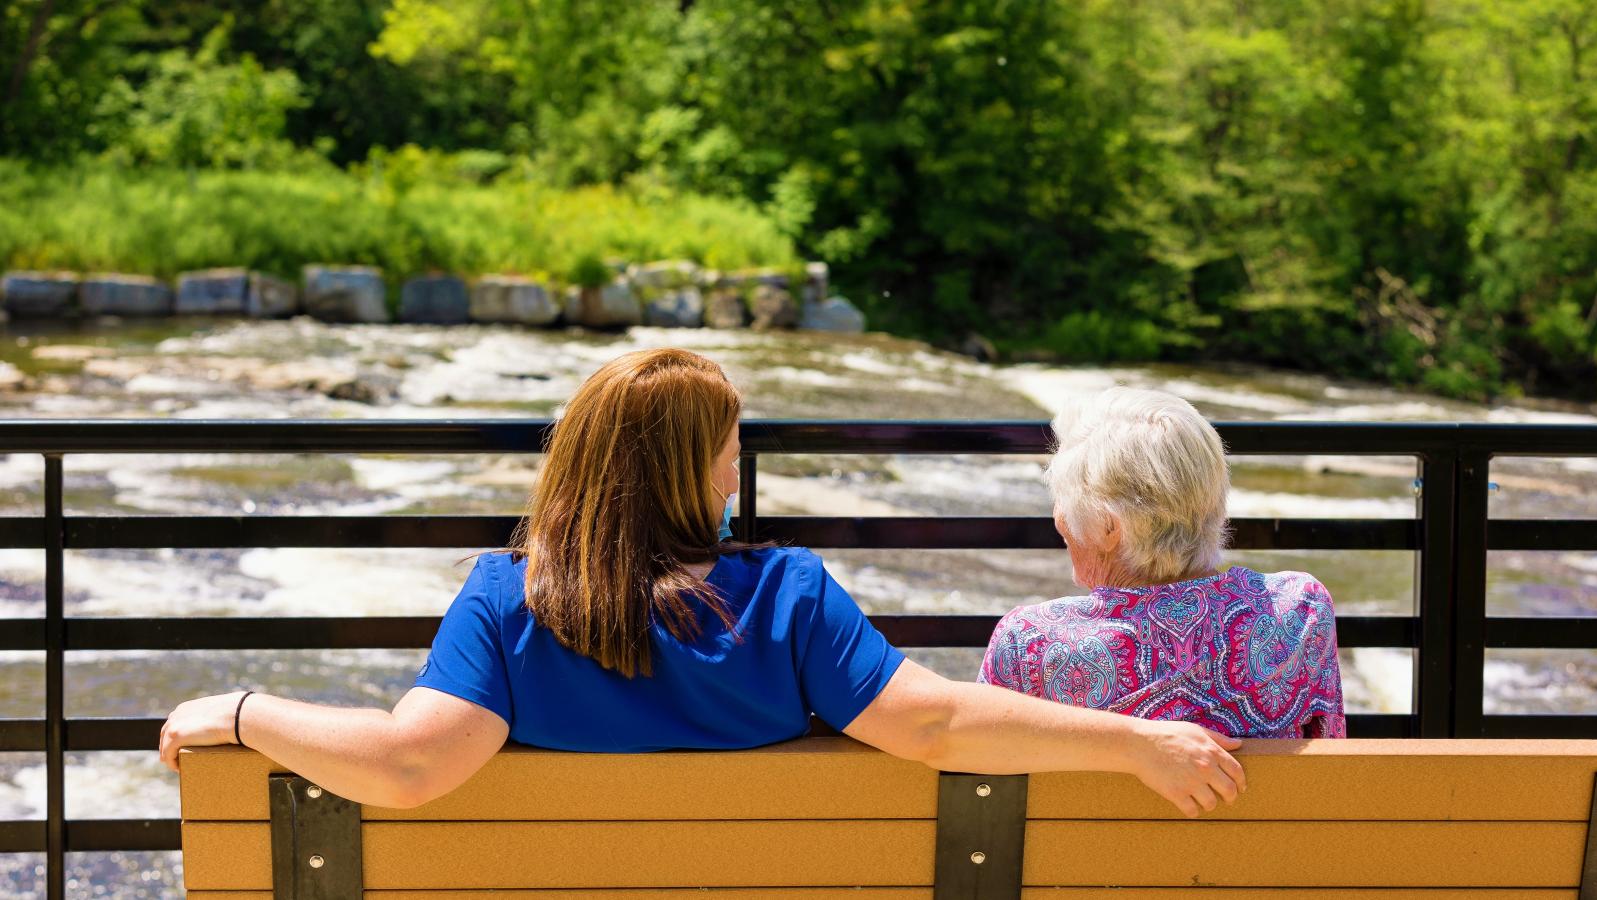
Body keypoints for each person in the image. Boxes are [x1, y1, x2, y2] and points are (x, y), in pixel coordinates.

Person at [160, 349, 1245, 818]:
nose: (737, 473)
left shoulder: (510, 598)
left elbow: (407, 767)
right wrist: (1137, 743)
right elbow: (937, 726)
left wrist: (246, 711)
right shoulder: (787, 597)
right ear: (694, 471)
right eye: (729, 453)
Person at [979, 387, 1345, 739]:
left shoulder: (1027, 644)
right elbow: (1331, 766)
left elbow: (977, 775)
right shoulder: (1300, 610)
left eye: (1063, 498)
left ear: (1109, 527)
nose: (1059, 515)